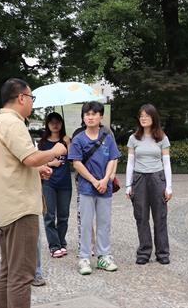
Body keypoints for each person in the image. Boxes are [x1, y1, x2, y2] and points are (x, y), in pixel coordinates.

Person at [0, 78, 66, 308]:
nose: (32, 102)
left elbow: (12, 162)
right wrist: (56, 150)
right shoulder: (13, 124)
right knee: (21, 276)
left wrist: (37, 169)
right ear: (21, 98)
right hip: (19, 209)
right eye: (31, 97)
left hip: (5, 207)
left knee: (8, 270)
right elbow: (30, 157)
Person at [69, 101, 121, 275]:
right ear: (83, 118)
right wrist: (93, 181)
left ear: (101, 117)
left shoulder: (108, 138)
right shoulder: (78, 139)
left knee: (104, 223)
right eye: (87, 114)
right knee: (85, 223)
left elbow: (113, 159)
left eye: (93, 114)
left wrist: (105, 180)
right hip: (86, 187)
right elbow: (76, 163)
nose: (90, 117)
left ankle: (103, 256)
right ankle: (84, 257)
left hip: (105, 187)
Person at [125, 104, 172, 265]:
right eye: (141, 116)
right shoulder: (133, 138)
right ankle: (144, 252)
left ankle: (162, 252)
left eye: (147, 115)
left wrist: (169, 186)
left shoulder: (162, 138)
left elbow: (167, 164)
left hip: (157, 178)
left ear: (154, 118)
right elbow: (130, 163)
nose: (144, 118)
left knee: (160, 217)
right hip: (139, 179)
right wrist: (128, 185)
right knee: (141, 216)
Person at [39, 112, 72, 258]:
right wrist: (51, 163)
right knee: (49, 215)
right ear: (47, 124)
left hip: (65, 183)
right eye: (51, 122)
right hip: (48, 183)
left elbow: (74, 159)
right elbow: (38, 162)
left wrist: (68, 143)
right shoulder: (43, 143)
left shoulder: (66, 141)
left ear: (61, 124)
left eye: (57, 121)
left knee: (64, 215)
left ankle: (61, 242)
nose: (55, 125)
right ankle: (54, 245)